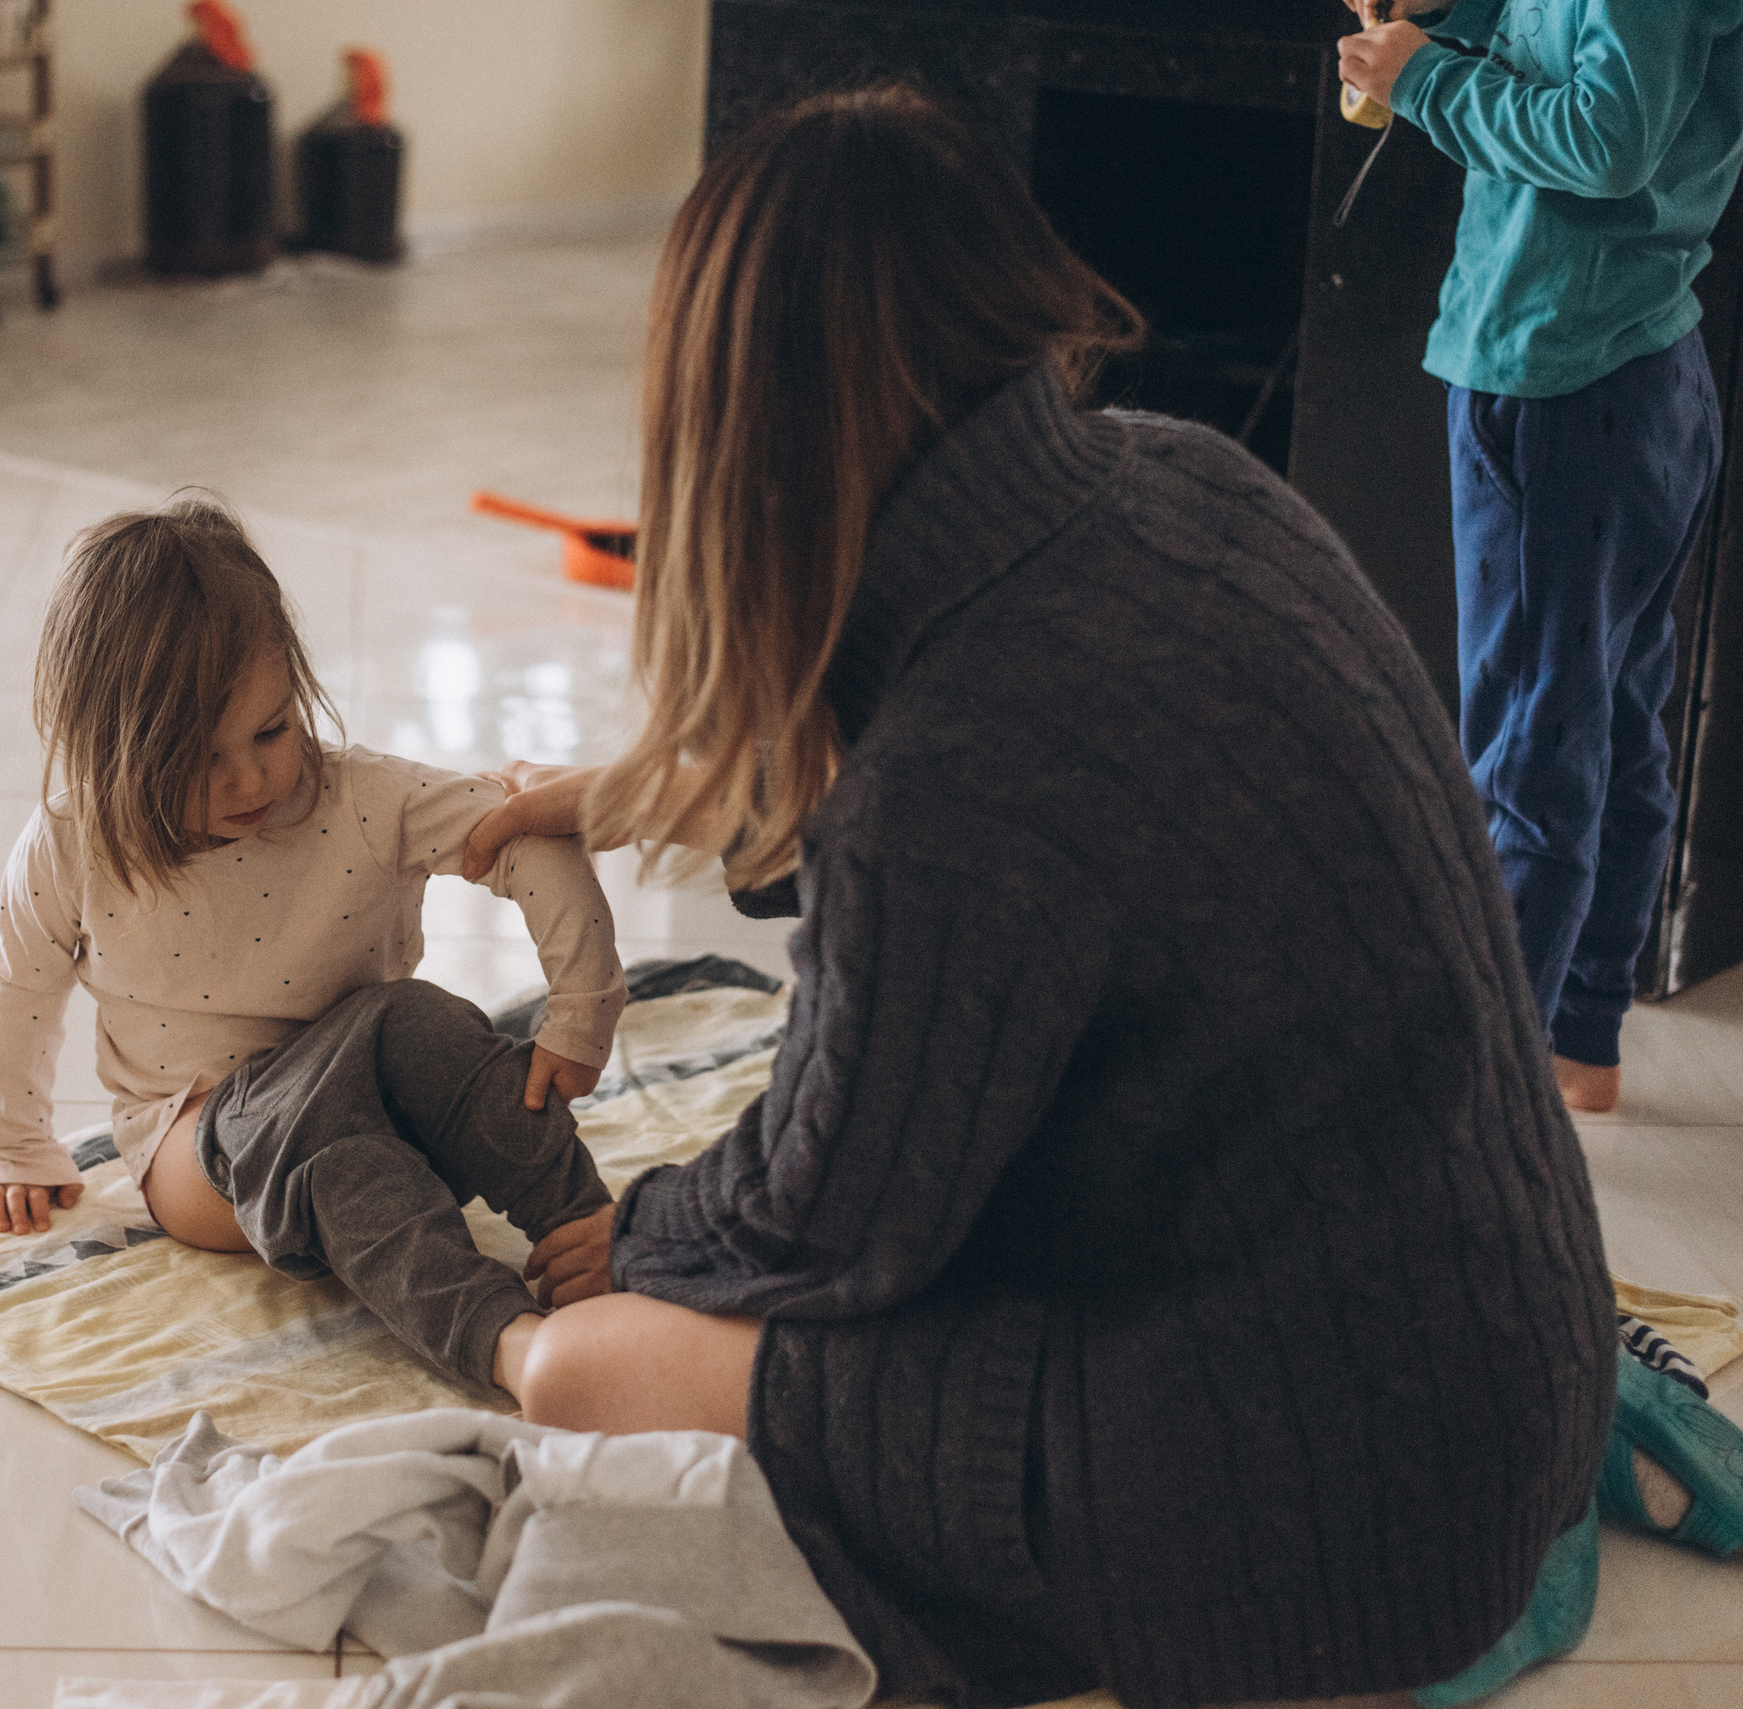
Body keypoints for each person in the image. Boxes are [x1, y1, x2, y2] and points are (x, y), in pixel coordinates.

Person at [457, 85, 1655, 1709]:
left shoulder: (954, 771)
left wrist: (642, 1230)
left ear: (730, 426)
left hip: (1337, 1512)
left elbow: (829, 1220)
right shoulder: (1188, 482)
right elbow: (956, 784)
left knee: (592, 1369)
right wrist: (616, 787)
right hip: (1513, 1362)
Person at [0, 498, 626, 1398]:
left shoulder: (358, 798)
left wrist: (582, 1008)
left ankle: (589, 1227)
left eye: (271, 730)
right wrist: (13, 1141)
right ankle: (505, 1342)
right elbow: (21, 987)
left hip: (371, 1085)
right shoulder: (73, 842)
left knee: (418, 1018)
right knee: (324, 1139)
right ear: (112, 752)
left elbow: (521, 830)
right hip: (198, 1147)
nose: (250, 777)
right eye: (196, 758)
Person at [1339, 0, 1743, 1113]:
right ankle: (1575, 1037)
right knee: (1603, 716)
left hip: (1559, 372)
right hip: (1623, 363)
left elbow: (1606, 145)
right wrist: (1448, 21)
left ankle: (1480, 1088)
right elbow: (1582, 60)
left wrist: (1422, 79)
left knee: (1528, 746)